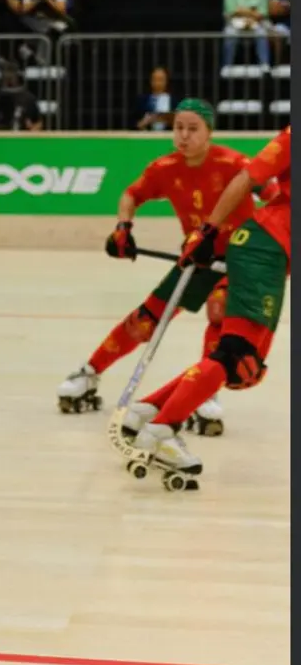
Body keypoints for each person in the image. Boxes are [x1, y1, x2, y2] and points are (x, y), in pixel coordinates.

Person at [56, 100, 255, 436]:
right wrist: (123, 227)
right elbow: (130, 195)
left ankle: (205, 391)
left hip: (238, 260)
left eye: (193, 129)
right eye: (179, 128)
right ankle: (89, 372)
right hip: (196, 258)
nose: (184, 136)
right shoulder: (165, 168)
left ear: (209, 132)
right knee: (145, 320)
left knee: (219, 313)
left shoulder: (234, 163)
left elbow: (274, 194)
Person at [123, 125, 290, 481]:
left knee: (244, 368)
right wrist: (208, 230)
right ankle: (161, 432)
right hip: (264, 248)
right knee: (236, 357)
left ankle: (146, 409)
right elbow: (247, 178)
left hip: (276, 256)